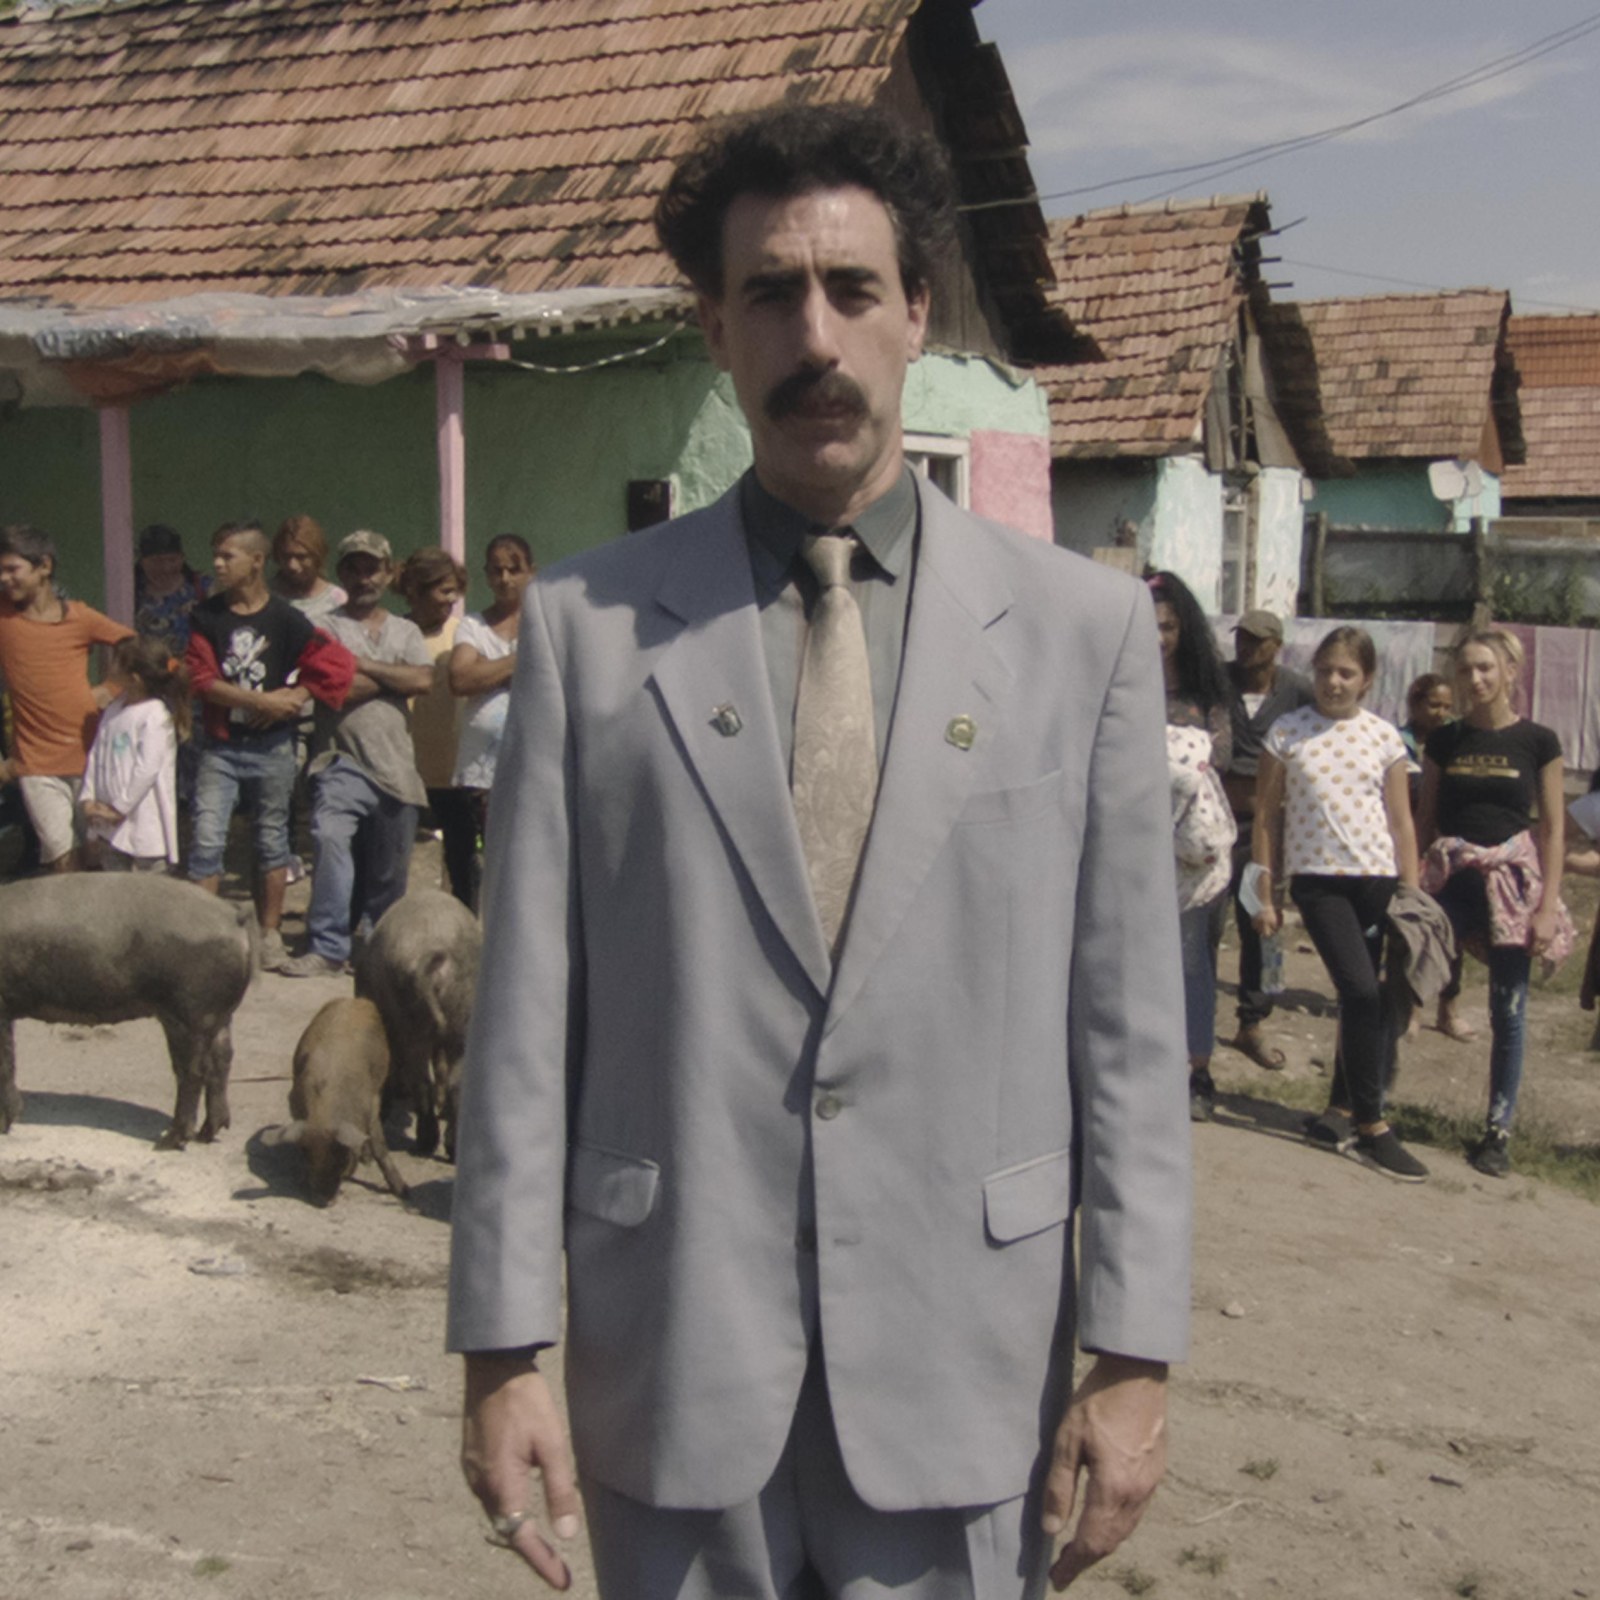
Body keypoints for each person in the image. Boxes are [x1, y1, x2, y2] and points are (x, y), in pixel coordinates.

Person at [447, 104, 1191, 1600]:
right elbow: (525, 1021)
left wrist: (1133, 1352)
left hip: (965, 1361)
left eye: (852, 289)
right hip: (673, 1357)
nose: (815, 337)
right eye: (771, 293)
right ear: (714, 327)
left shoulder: (1084, 634)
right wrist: (502, 1345)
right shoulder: (590, 631)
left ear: (918, 310)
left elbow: (1127, 1028)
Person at [1252, 626, 1424, 1181]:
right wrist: (1262, 894)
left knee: (1365, 997)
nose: (1333, 682)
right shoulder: (1287, 732)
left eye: (1346, 673)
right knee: (1360, 991)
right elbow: (1265, 818)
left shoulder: (1384, 737)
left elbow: (1401, 821)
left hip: (1376, 880)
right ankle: (1374, 1126)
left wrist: (1412, 895)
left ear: (1366, 680)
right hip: (1318, 882)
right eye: (1325, 670)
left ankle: (1339, 1111)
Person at [1417, 629, 1571, 1178]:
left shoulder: (1539, 741)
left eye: (1485, 667)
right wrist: (1411, 886)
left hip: (1511, 886)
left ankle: (1497, 1131)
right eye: (1465, 669)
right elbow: (1424, 818)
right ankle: (1366, 1107)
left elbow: (1552, 830)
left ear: (1510, 671)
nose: (1475, 679)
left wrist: (1547, 906)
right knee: (1398, 981)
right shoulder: (1445, 741)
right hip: (1452, 881)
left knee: (1508, 1010)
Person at [185, 520, 354, 971]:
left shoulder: (285, 619)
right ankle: (206, 940)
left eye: (228, 556)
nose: (218, 564)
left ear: (256, 561)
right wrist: (260, 701)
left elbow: (334, 664)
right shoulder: (207, 616)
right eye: (216, 556)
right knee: (206, 838)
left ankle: (270, 934)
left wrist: (295, 697)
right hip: (221, 747)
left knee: (272, 840)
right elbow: (200, 679)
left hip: (274, 746)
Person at [279, 530, 433, 979]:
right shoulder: (323, 628)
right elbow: (335, 689)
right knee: (329, 839)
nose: (364, 577)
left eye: (373, 568)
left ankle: (376, 947)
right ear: (341, 574)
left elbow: (423, 681)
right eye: (354, 568)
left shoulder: (406, 630)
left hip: (397, 768)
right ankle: (328, 945)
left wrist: (360, 664)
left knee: (389, 873)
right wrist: (394, 677)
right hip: (339, 761)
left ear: (388, 573)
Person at [1148, 572, 1235, 1125]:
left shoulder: (1207, 694)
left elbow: (1219, 756)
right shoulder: (1122, 684)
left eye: (1169, 627)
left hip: (1192, 855)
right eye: (1149, 626)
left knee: (1191, 960)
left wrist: (1168, 761)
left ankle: (1198, 1072)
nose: (1158, 638)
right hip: (1132, 848)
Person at [0, 522, 134, 872]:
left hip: (89, 757)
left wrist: (112, 687)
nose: (4, 579)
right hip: (36, 766)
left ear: (44, 566)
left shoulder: (80, 617)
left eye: (12, 569)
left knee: (97, 857)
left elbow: (140, 651)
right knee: (62, 857)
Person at [1222, 608, 1314, 1070]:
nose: (1246, 648)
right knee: (1199, 927)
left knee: (1261, 925)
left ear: (1276, 646)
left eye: (1257, 641)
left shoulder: (1296, 691)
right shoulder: (1218, 681)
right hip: (1213, 826)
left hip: (1263, 831)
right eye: (1242, 638)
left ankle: (1252, 1022)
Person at [398, 546, 474, 907]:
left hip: (454, 774)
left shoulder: (462, 636)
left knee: (462, 863)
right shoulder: (396, 634)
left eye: (455, 590)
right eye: (443, 590)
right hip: (404, 771)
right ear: (416, 589)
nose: (451, 599)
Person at [79, 633, 187, 873]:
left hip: (144, 827)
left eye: (116, 662)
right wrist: (88, 798)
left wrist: (118, 808)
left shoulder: (155, 715)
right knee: (115, 889)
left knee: (147, 891)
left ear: (134, 678)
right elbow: (96, 756)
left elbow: (147, 769)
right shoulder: (114, 709)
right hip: (109, 828)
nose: (110, 666)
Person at [449, 534, 536, 818]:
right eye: (497, 570)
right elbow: (461, 679)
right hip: (481, 773)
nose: (505, 579)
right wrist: (519, 663)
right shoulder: (473, 626)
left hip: (532, 766)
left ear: (531, 572)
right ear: (487, 574)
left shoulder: (543, 626)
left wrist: (487, 668)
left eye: (514, 569)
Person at [133, 523, 209, 656]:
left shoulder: (202, 587)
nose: (165, 568)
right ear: (142, 561)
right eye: (157, 561)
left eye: (172, 560)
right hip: (149, 668)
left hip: (195, 667)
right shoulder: (131, 594)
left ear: (182, 558)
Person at [271, 514, 346, 621]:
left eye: (301, 557)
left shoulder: (338, 601)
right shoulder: (263, 597)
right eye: (286, 556)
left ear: (317, 557)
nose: (292, 565)